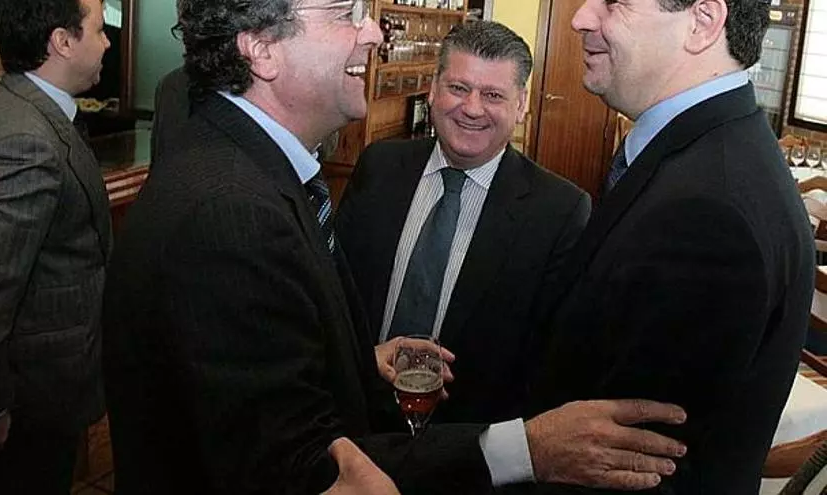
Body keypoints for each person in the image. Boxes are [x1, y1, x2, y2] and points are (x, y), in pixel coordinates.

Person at [102, 0, 686, 493]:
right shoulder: (232, 213)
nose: (373, 33)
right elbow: (298, 468)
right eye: (344, 14)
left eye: (493, 94)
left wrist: (359, 364)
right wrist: (530, 449)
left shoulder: (247, 174)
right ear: (261, 48)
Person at [526, 0, 815, 493]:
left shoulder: (707, 213)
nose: (581, 18)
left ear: (702, 23)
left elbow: (626, 464)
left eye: (613, 2)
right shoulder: (708, 152)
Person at [336, 21, 590, 426]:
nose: (472, 108)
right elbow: (336, 291)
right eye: (458, 88)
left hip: (468, 437)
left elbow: (550, 357)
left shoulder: (560, 211)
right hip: (352, 413)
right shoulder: (378, 166)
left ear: (521, 105)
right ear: (433, 90)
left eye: (493, 95)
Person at [0, 0, 112, 493]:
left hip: (42, 396)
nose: (107, 43)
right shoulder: (23, 138)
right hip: (26, 406)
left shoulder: (25, 109)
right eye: (99, 30)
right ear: (62, 42)